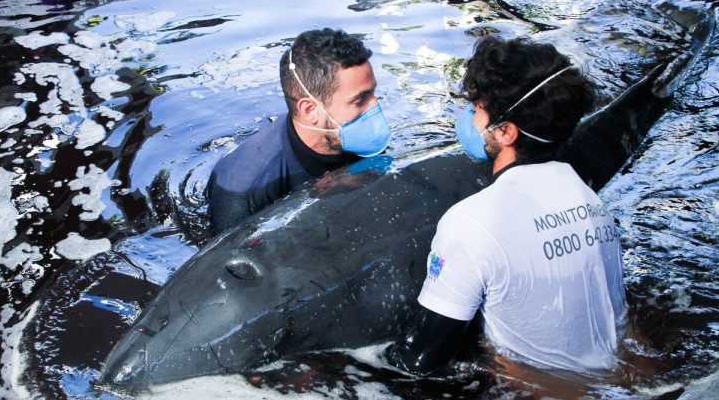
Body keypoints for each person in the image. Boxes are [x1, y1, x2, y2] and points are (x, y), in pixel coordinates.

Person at [387, 35, 627, 376]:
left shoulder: (470, 222)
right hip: (607, 381)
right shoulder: (588, 200)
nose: (470, 122)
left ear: (505, 132)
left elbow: (419, 360)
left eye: (476, 110)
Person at [207, 28, 391, 235]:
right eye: (360, 99)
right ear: (310, 110)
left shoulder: (362, 140)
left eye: (373, 93)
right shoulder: (243, 189)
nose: (375, 106)